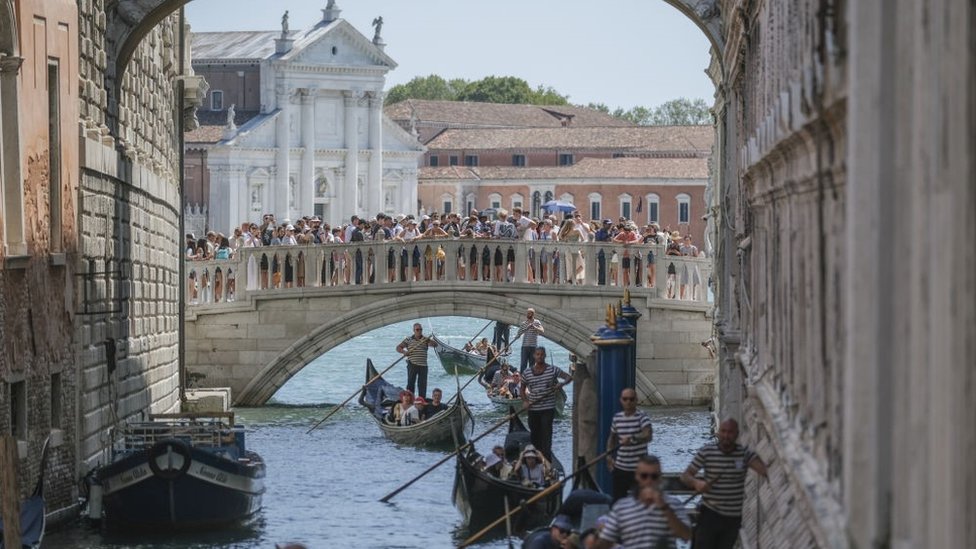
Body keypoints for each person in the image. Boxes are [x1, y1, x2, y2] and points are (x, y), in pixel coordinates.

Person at [680, 418, 768, 549]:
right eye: (723, 431)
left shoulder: (744, 455)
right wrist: (696, 483)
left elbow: (764, 470)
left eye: (730, 432)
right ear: (718, 433)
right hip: (710, 514)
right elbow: (685, 476)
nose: (726, 436)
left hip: (732, 519)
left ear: (737, 434)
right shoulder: (707, 452)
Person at [595, 455, 692, 548]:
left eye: (654, 476)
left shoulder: (674, 504)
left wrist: (664, 507)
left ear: (659, 478)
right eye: (644, 476)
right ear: (637, 476)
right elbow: (606, 541)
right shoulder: (622, 507)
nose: (649, 480)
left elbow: (686, 535)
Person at [521, 347, 573, 461]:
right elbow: (522, 388)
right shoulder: (527, 372)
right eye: (537, 354)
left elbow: (569, 377)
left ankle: (547, 461)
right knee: (534, 435)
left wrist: (562, 384)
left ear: (545, 356)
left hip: (547, 409)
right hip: (533, 408)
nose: (539, 356)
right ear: (534, 356)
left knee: (546, 435)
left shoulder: (553, 370)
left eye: (542, 355)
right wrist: (525, 401)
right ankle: (536, 460)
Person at [606, 388, 653, 502]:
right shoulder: (617, 418)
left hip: (639, 469)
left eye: (631, 399)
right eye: (625, 399)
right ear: (621, 400)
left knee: (642, 502)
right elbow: (612, 438)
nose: (628, 402)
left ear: (636, 400)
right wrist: (609, 456)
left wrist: (633, 438)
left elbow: (648, 435)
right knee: (618, 501)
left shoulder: (642, 417)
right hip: (621, 468)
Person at [395, 323, 437, 399]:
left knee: (422, 385)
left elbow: (434, 345)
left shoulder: (425, 339)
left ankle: (421, 401)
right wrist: (404, 352)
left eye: (421, 329)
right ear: (414, 330)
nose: (419, 331)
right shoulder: (408, 339)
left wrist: (430, 340)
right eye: (417, 330)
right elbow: (398, 347)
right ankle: (409, 400)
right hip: (412, 364)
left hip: (423, 366)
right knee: (411, 384)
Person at [517, 308, 545, 372]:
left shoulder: (537, 322)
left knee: (532, 364)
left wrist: (535, 327)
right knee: (523, 364)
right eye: (527, 313)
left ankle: (531, 378)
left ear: (532, 314)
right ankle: (523, 378)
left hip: (533, 346)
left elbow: (542, 331)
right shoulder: (524, 323)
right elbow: (519, 333)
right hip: (525, 346)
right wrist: (526, 328)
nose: (527, 314)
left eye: (529, 313)